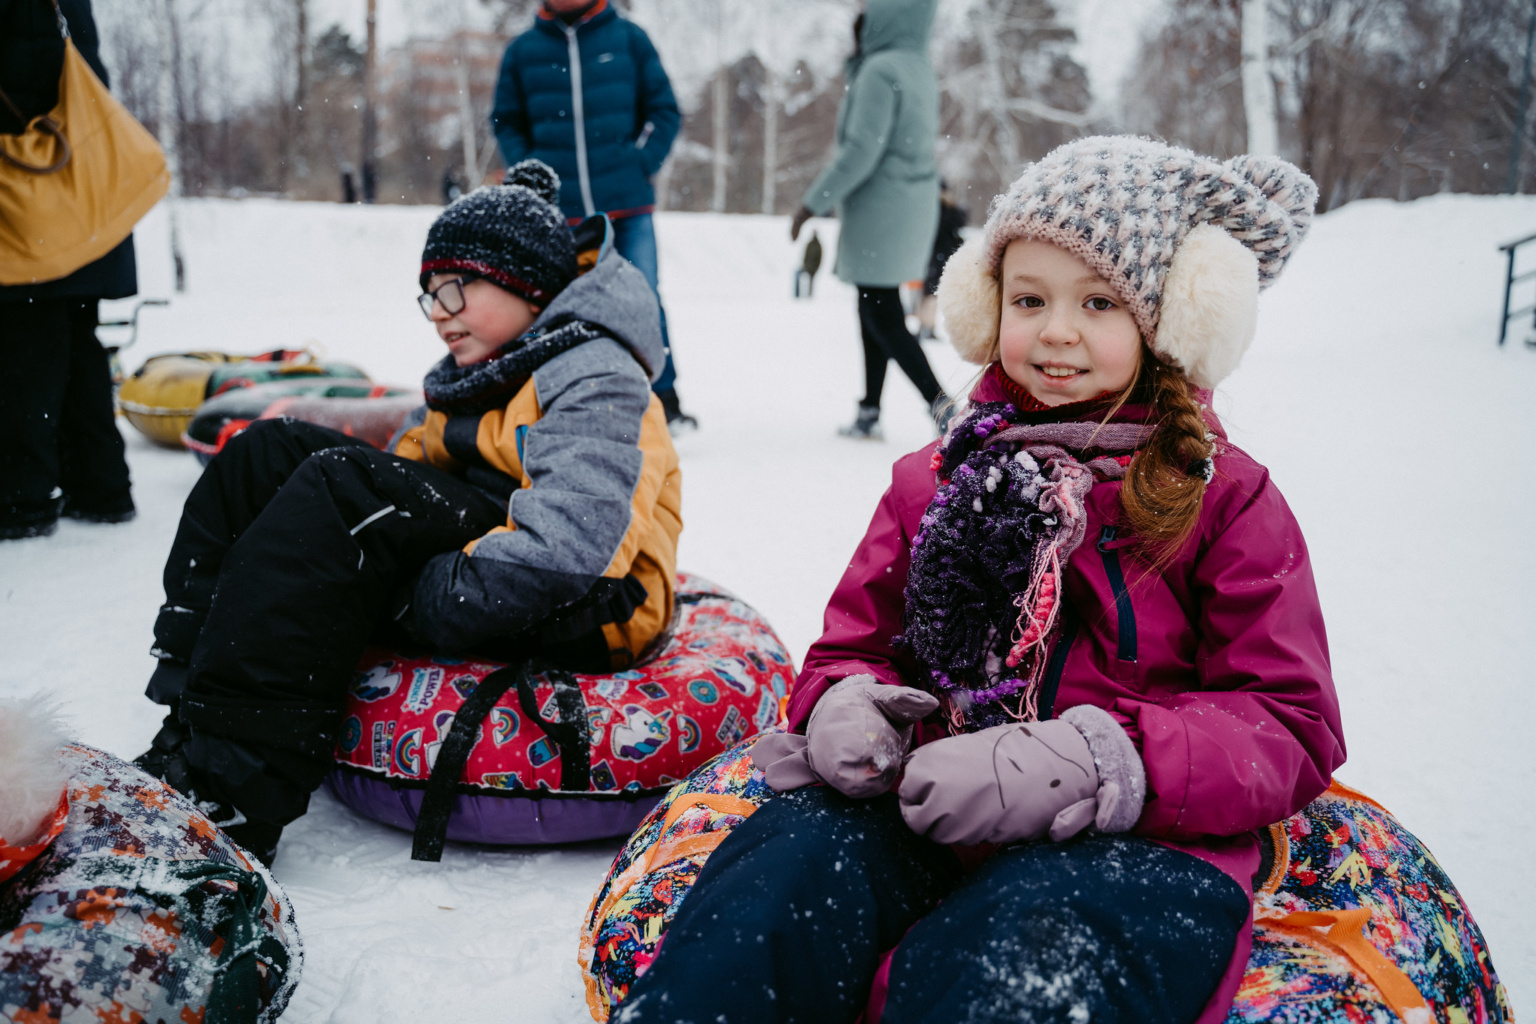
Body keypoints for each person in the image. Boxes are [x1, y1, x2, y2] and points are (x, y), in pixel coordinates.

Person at [619, 136, 1344, 1024]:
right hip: (925, 803)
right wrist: (846, 702)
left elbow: (1285, 722)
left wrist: (1089, 758)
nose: (1057, 330)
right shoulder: (931, 481)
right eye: (1028, 297)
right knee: (775, 890)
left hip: (1128, 838)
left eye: (1101, 302)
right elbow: (853, 644)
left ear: (1170, 322)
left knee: (1017, 967)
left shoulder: (1224, 499)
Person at [134, 161, 682, 865]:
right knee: (266, 453)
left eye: (458, 287)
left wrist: (389, 591)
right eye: (429, 295)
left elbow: (567, 554)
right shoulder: (491, 362)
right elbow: (410, 468)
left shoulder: (594, 373)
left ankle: (231, 791)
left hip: (594, 600)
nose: (441, 310)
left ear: (527, 282)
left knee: (340, 489)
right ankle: (190, 713)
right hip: (493, 548)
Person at [491, 0, 696, 433]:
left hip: (627, 206)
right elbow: (506, 121)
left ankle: (664, 400)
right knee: (554, 311)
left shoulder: (628, 39)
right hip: (558, 216)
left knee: (643, 301)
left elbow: (665, 110)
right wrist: (531, 175)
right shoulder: (523, 50)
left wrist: (641, 163)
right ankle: (562, 400)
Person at [0, 0, 138, 540]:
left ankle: (21, 498)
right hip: (78, 195)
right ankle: (101, 487)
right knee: (76, 342)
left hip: (31, 199)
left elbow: (24, 84)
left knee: (23, 351)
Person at [790, 0, 948, 441]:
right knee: (874, 306)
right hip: (912, 202)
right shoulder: (919, 68)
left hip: (882, 205)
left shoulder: (881, 70)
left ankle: (943, 405)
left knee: (882, 314)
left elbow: (861, 149)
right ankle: (869, 408)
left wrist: (812, 202)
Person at [915, 179, 966, 340]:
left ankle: (926, 326)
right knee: (929, 292)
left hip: (936, 255)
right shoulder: (941, 210)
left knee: (930, 292)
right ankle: (925, 325)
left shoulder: (941, 210)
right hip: (935, 255)